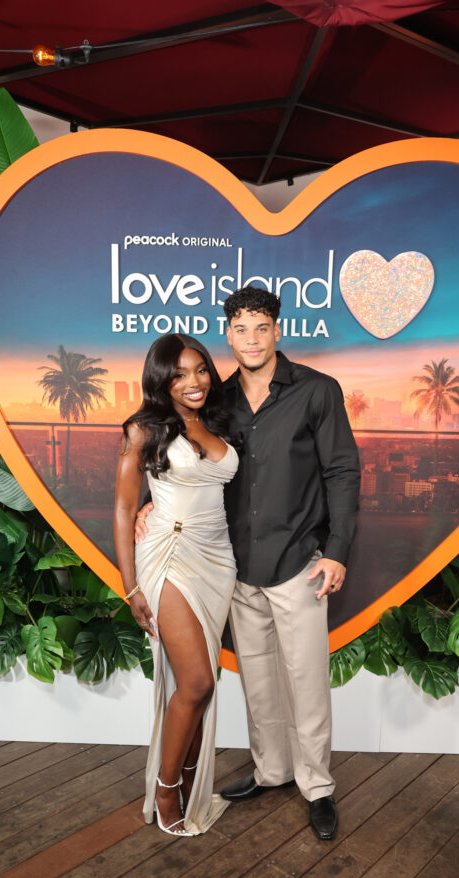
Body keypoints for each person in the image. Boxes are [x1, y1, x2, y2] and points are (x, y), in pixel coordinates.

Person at [138, 287, 360, 840]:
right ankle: (272, 771)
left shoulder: (317, 391)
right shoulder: (217, 400)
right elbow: (182, 454)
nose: (252, 339)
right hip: (234, 566)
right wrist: (149, 499)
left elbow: (342, 471)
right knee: (258, 680)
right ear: (229, 335)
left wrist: (337, 550)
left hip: (299, 560)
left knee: (306, 680)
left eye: (261, 328)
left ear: (277, 331)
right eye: (241, 329)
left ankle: (317, 786)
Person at [113, 333, 238, 837]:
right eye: (180, 374)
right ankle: (166, 789)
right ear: (161, 379)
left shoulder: (218, 421)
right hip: (168, 555)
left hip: (218, 560)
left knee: (203, 685)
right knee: (198, 682)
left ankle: (189, 778)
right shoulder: (144, 428)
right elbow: (125, 506)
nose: (194, 382)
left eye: (201, 370)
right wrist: (130, 588)